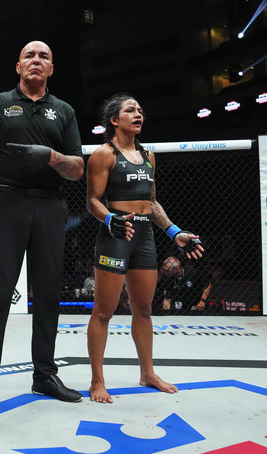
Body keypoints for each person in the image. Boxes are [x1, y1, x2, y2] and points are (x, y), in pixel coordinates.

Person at [0, 40, 85, 416]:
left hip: (50, 205)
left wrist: (52, 156)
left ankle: (44, 375)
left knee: (48, 295)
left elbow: (77, 169)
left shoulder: (64, 111)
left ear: (52, 68)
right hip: (8, 203)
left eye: (44, 56)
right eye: (30, 55)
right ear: (17, 66)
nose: (36, 60)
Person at [85, 93, 204, 404]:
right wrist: (110, 219)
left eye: (140, 110)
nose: (138, 114)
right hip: (116, 235)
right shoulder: (103, 155)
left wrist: (174, 231)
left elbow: (152, 202)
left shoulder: (149, 155)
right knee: (104, 312)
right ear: (114, 120)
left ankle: (148, 373)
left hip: (145, 236)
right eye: (130, 110)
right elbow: (93, 201)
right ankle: (97, 381)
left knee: (144, 309)